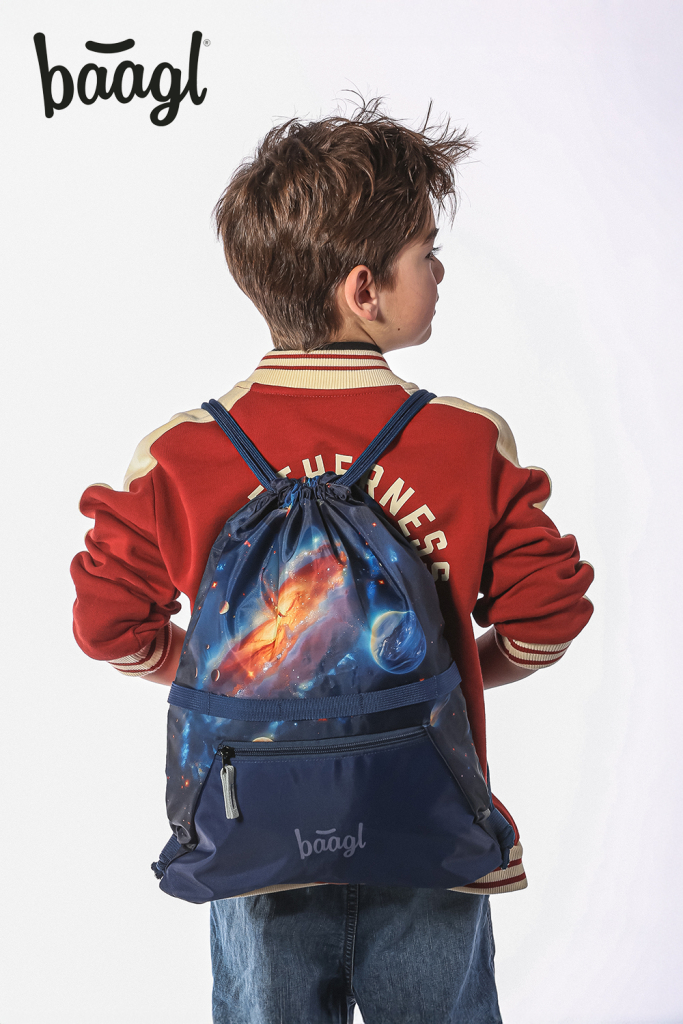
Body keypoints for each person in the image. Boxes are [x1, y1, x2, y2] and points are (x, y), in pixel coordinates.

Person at [71, 97, 593, 1024]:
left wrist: (218, 673)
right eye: (426, 252)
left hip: (254, 845)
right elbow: (545, 617)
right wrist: (456, 672)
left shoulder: (182, 455)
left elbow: (108, 624)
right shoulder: (465, 442)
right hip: (429, 835)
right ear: (365, 291)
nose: (439, 271)